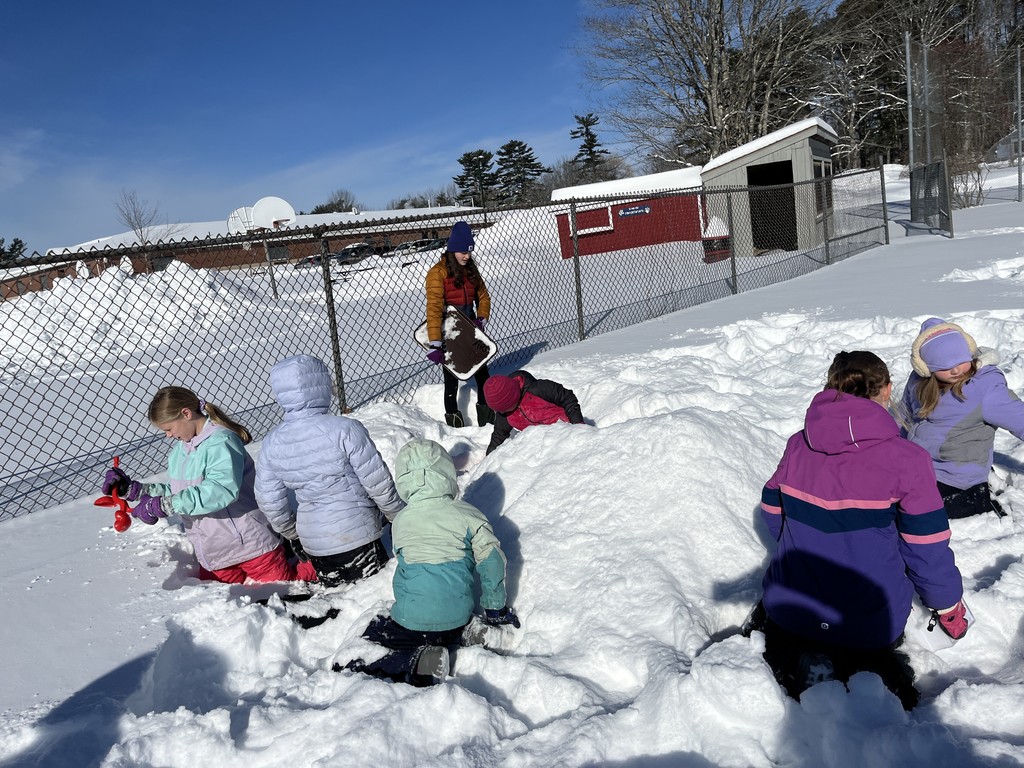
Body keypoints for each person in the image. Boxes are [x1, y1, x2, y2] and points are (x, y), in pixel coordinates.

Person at [751, 351, 967, 709]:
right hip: (869, 622)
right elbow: (926, 547)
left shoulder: (798, 444)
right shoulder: (907, 460)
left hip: (788, 609)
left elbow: (773, 509)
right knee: (869, 649)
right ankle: (862, 678)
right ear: (887, 390)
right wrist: (947, 605)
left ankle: (809, 662)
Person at [341, 438, 518, 686]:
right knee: (448, 620)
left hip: (411, 621)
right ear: (446, 472)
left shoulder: (400, 522)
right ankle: (470, 632)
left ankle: (418, 660)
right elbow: (493, 561)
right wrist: (493, 607)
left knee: (368, 640)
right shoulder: (469, 515)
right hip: (458, 614)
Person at [100, 386, 315, 584]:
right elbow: (179, 491)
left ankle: (325, 564)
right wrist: (136, 491)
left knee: (286, 585)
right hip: (214, 554)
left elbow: (220, 490)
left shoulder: (222, 442)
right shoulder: (180, 452)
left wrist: (166, 505)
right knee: (216, 600)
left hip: (251, 546)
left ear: (186, 413)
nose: (168, 435)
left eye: (168, 428)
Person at [254, 355, 404, 588]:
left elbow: (269, 501)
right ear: (322, 386)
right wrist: (397, 515)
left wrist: (293, 533)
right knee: (371, 593)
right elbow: (377, 481)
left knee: (342, 599)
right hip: (357, 534)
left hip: (314, 542)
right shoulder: (345, 429)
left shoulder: (272, 443)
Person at [898, 317, 1024, 518]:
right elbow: (904, 418)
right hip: (921, 468)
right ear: (927, 368)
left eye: (960, 361)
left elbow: (1019, 418)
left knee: (910, 512)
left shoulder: (984, 389)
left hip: (958, 479)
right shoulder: (918, 383)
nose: (956, 370)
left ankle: (979, 501)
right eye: (945, 367)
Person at [424, 220, 493, 428]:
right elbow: (434, 308)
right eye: (463, 251)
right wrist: (435, 342)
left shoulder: (470, 270)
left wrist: (481, 318)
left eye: (470, 251)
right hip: (449, 334)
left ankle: (487, 422)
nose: (467, 255)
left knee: (484, 376)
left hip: (470, 330)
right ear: (453, 249)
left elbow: (483, 296)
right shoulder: (438, 273)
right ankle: (455, 425)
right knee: (451, 381)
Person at [483, 369, 585, 454]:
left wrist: (577, 425)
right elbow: (498, 435)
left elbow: (567, 398)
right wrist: (487, 461)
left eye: (505, 408)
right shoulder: (504, 413)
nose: (503, 412)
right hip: (542, 447)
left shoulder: (538, 389)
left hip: (567, 432)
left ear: (513, 397)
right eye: (500, 410)